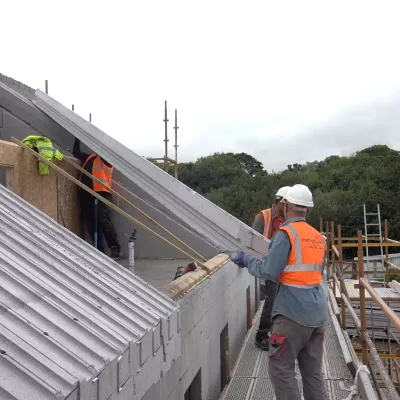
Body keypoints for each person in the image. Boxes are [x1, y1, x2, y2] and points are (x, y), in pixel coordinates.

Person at [231, 184, 329, 400]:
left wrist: (246, 260)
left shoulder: (286, 234)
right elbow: (314, 273)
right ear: (308, 210)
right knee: (313, 374)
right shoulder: (318, 238)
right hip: (319, 313)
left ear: (285, 206)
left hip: (292, 314)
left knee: (281, 369)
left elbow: (268, 271)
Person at [252, 186, 291, 350]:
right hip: (267, 266)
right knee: (272, 299)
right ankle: (262, 336)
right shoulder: (264, 217)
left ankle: (276, 334)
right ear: (281, 202)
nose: (290, 209)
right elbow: (252, 241)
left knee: (282, 300)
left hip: (283, 267)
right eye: (288, 205)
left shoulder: (286, 219)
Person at [73, 138, 121, 261]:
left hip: (101, 193)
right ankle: (99, 250)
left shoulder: (107, 159)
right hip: (86, 193)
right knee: (90, 222)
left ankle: (115, 248)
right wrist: (77, 138)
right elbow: (76, 153)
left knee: (103, 220)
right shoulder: (89, 157)